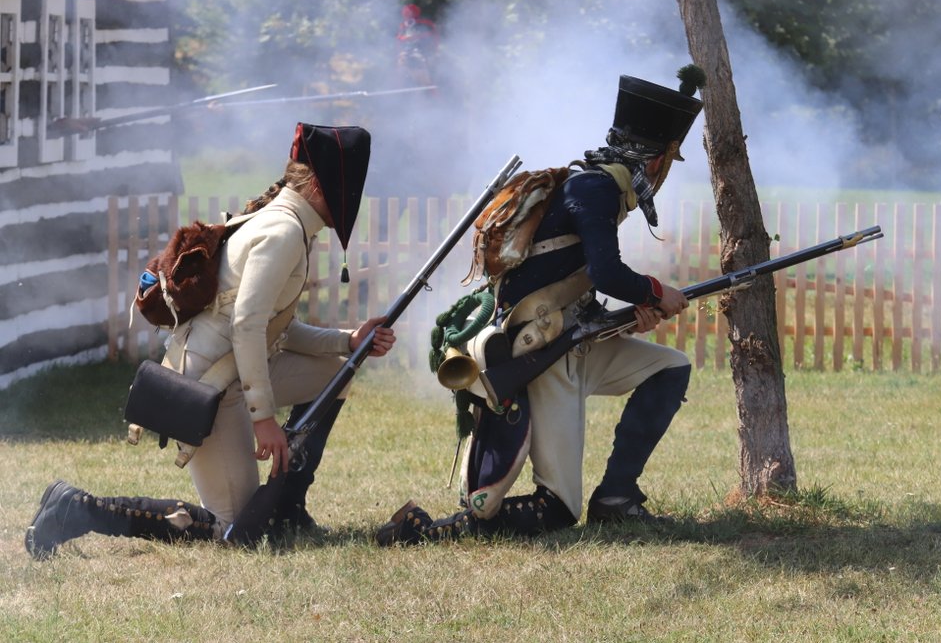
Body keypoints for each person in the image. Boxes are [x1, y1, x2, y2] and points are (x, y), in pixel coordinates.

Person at [25, 123, 396, 560]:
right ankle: (78, 509)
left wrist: (347, 341)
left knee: (338, 371)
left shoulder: (290, 224)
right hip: (208, 387)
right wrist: (265, 421)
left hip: (235, 370)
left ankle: (287, 509)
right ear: (319, 184)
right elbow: (246, 326)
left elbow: (274, 328)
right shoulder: (282, 233)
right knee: (232, 528)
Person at [377, 68, 705, 545]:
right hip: (543, 355)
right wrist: (657, 293)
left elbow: (578, 280)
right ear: (655, 161)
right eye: (666, 161)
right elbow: (609, 271)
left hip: (575, 341)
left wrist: (631, 315)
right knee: (558, 509)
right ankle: (431, 531)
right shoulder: (596, 190)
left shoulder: (596, 188)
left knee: (669, 368)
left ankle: (617, 497)